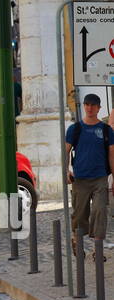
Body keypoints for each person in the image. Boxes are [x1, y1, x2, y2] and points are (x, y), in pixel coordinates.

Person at [65, 93, 114, 260]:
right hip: (80, 179)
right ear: (84, 106)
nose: (90, 107)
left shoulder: (106, 130)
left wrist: (113, 178)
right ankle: (76, 241)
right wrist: (66, 171)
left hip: (100, 178)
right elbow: (65, 152)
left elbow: (112, 156)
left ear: (99, 108)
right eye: (87, 104)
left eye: (93, 105)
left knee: (100, 211)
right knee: (80, 215)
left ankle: (97, 251)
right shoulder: (75, 129)